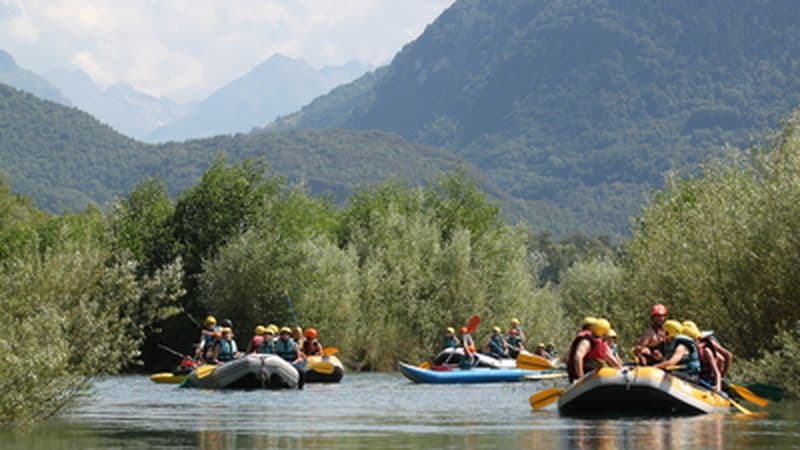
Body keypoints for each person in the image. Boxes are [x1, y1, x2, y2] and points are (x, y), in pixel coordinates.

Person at [566, 318, 621, 382]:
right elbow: (578, 357)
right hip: (582, 376)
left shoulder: (600, 342)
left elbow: (611, 360)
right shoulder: (587, 341)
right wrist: (581, 378)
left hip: (592, 375)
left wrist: (621, 370)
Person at [682, 321, 722, 393]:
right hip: (693, 376)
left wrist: (718, 386)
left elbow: (717, 372)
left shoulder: (706, 350)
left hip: (705, 380)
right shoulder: (685, 348)